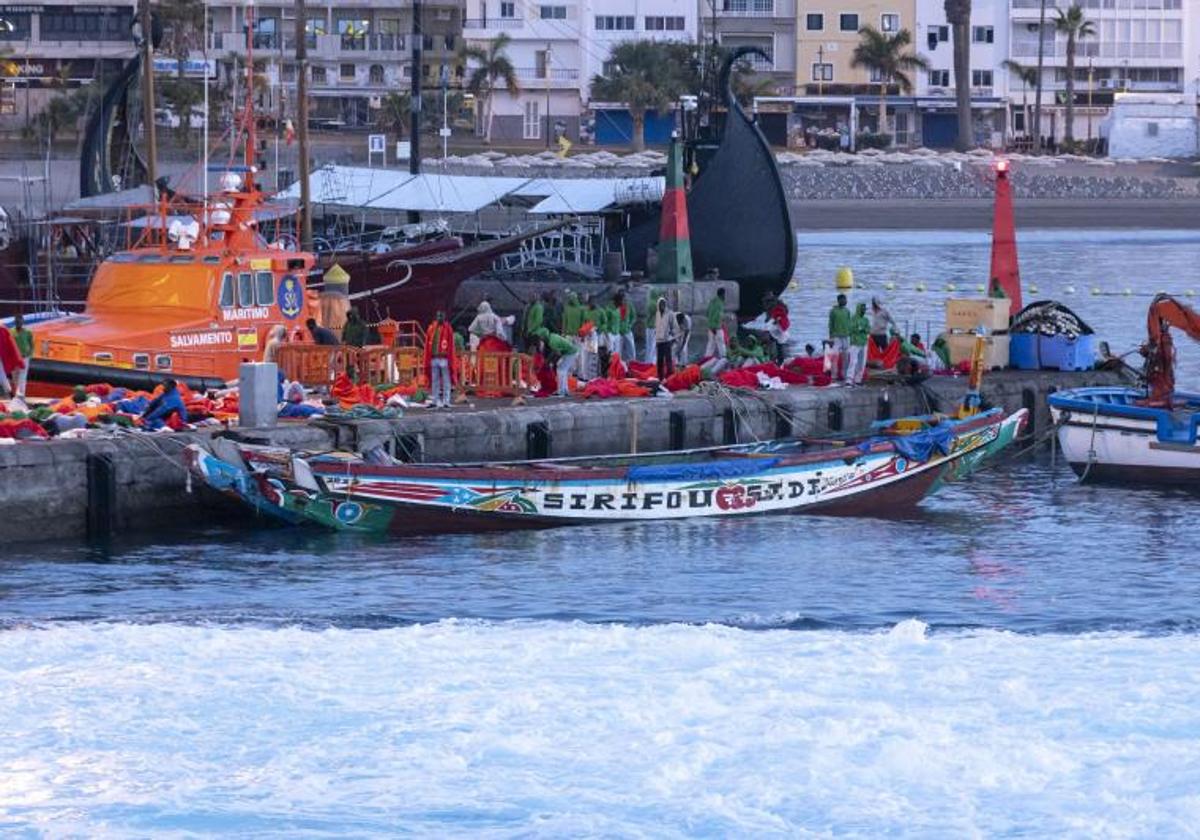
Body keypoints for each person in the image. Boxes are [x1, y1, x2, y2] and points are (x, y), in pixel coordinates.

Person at [422, 311, 456, 409]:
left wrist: (450, 359)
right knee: (435, 381)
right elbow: (427, 344)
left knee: (446, 381)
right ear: (436, 317)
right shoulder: (431, 328)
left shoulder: (448, 328)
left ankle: (446, 401)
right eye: (438, 316)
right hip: (434, 358)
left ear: (444, 317)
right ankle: (435, 401)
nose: (440, 317)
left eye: (441, 316)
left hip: (444, 358)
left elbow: (451, 345)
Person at [534, 327, 578, 398]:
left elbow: (557, 353)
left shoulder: (552, 341)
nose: (540, 339)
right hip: (570, 352)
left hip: (571, 352)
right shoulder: (551, 337)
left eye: (540, 337)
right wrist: (550, 362)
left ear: (543, 336)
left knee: (561, 370)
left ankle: (562, 391)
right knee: (562, 370)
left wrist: (550, 363)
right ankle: (564, 390)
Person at [827, 293, 851, 381]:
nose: (845, 301)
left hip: (846, 336)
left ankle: (844, 374)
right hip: (836, 337)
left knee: (846, 357)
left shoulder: (847, 311)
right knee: (835, 357)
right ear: (839, 301)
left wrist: (850, 335)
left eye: (846, 299)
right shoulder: (833, 311)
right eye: (843, 300)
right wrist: (830, 338)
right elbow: (830, 324)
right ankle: (834, 376)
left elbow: (849, 323)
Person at [653, 296, 678, 380]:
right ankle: (660, 377)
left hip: (667, 340)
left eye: (663, 304)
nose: (662, 306)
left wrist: (673, 337)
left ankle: (670, 377)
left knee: (668, 359)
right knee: (659, 360)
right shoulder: (657, 314)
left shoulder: (670, 314)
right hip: (659, 341)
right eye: (660, 304)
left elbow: (674, 326)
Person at [9, 313, 32, 399]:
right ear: (15, 322)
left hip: (24, 357)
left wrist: (30, 354)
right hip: (14, 357)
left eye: (20, 321)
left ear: (23, 322)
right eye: (17, 321)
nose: (19, 323)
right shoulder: (11, 331)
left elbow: (31, 344)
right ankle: (18, 394)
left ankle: (21, 395)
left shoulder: (28, 332)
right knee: (15, 377)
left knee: (22, 376)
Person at [848, 301, 871, 385]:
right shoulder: (853, 319)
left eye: (865, 309)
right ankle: (849, 380)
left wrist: (861, 329)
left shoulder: (866, 319)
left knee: (862, 363)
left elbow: (868, 329)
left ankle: (858, 380)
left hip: (864, 343)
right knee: (853, 362)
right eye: (863, 309)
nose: (864, 311)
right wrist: (861, 329)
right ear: (859, 309)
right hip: (855, 343)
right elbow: (851, 329)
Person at [0, 320, 24, 398]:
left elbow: (11, 347)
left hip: (4, 363)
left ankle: (11, 394)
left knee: (5, 381)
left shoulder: (2, 330)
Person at [614, 290, 637, 363]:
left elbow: (633, 317)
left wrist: (630, 325)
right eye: (623, 299)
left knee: (631, 350)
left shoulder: (629, 306)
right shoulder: (616, 307)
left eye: (625, 299)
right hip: (618, 332)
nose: (624, 301)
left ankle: (633, 364)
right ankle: (618, 365)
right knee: (618, 351)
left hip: (627, 331)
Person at [704, 287, 727, 359]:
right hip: (717, 327)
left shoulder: (712, 301)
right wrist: (715, 327)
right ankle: (723, 358)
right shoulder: (720, 303)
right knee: (721, 343)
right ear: (722, 294)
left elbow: (707, 313)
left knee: (711, 344)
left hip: (710, 327)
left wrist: (711, 325)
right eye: (724, 294)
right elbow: (718, 315)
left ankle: (707, 358)